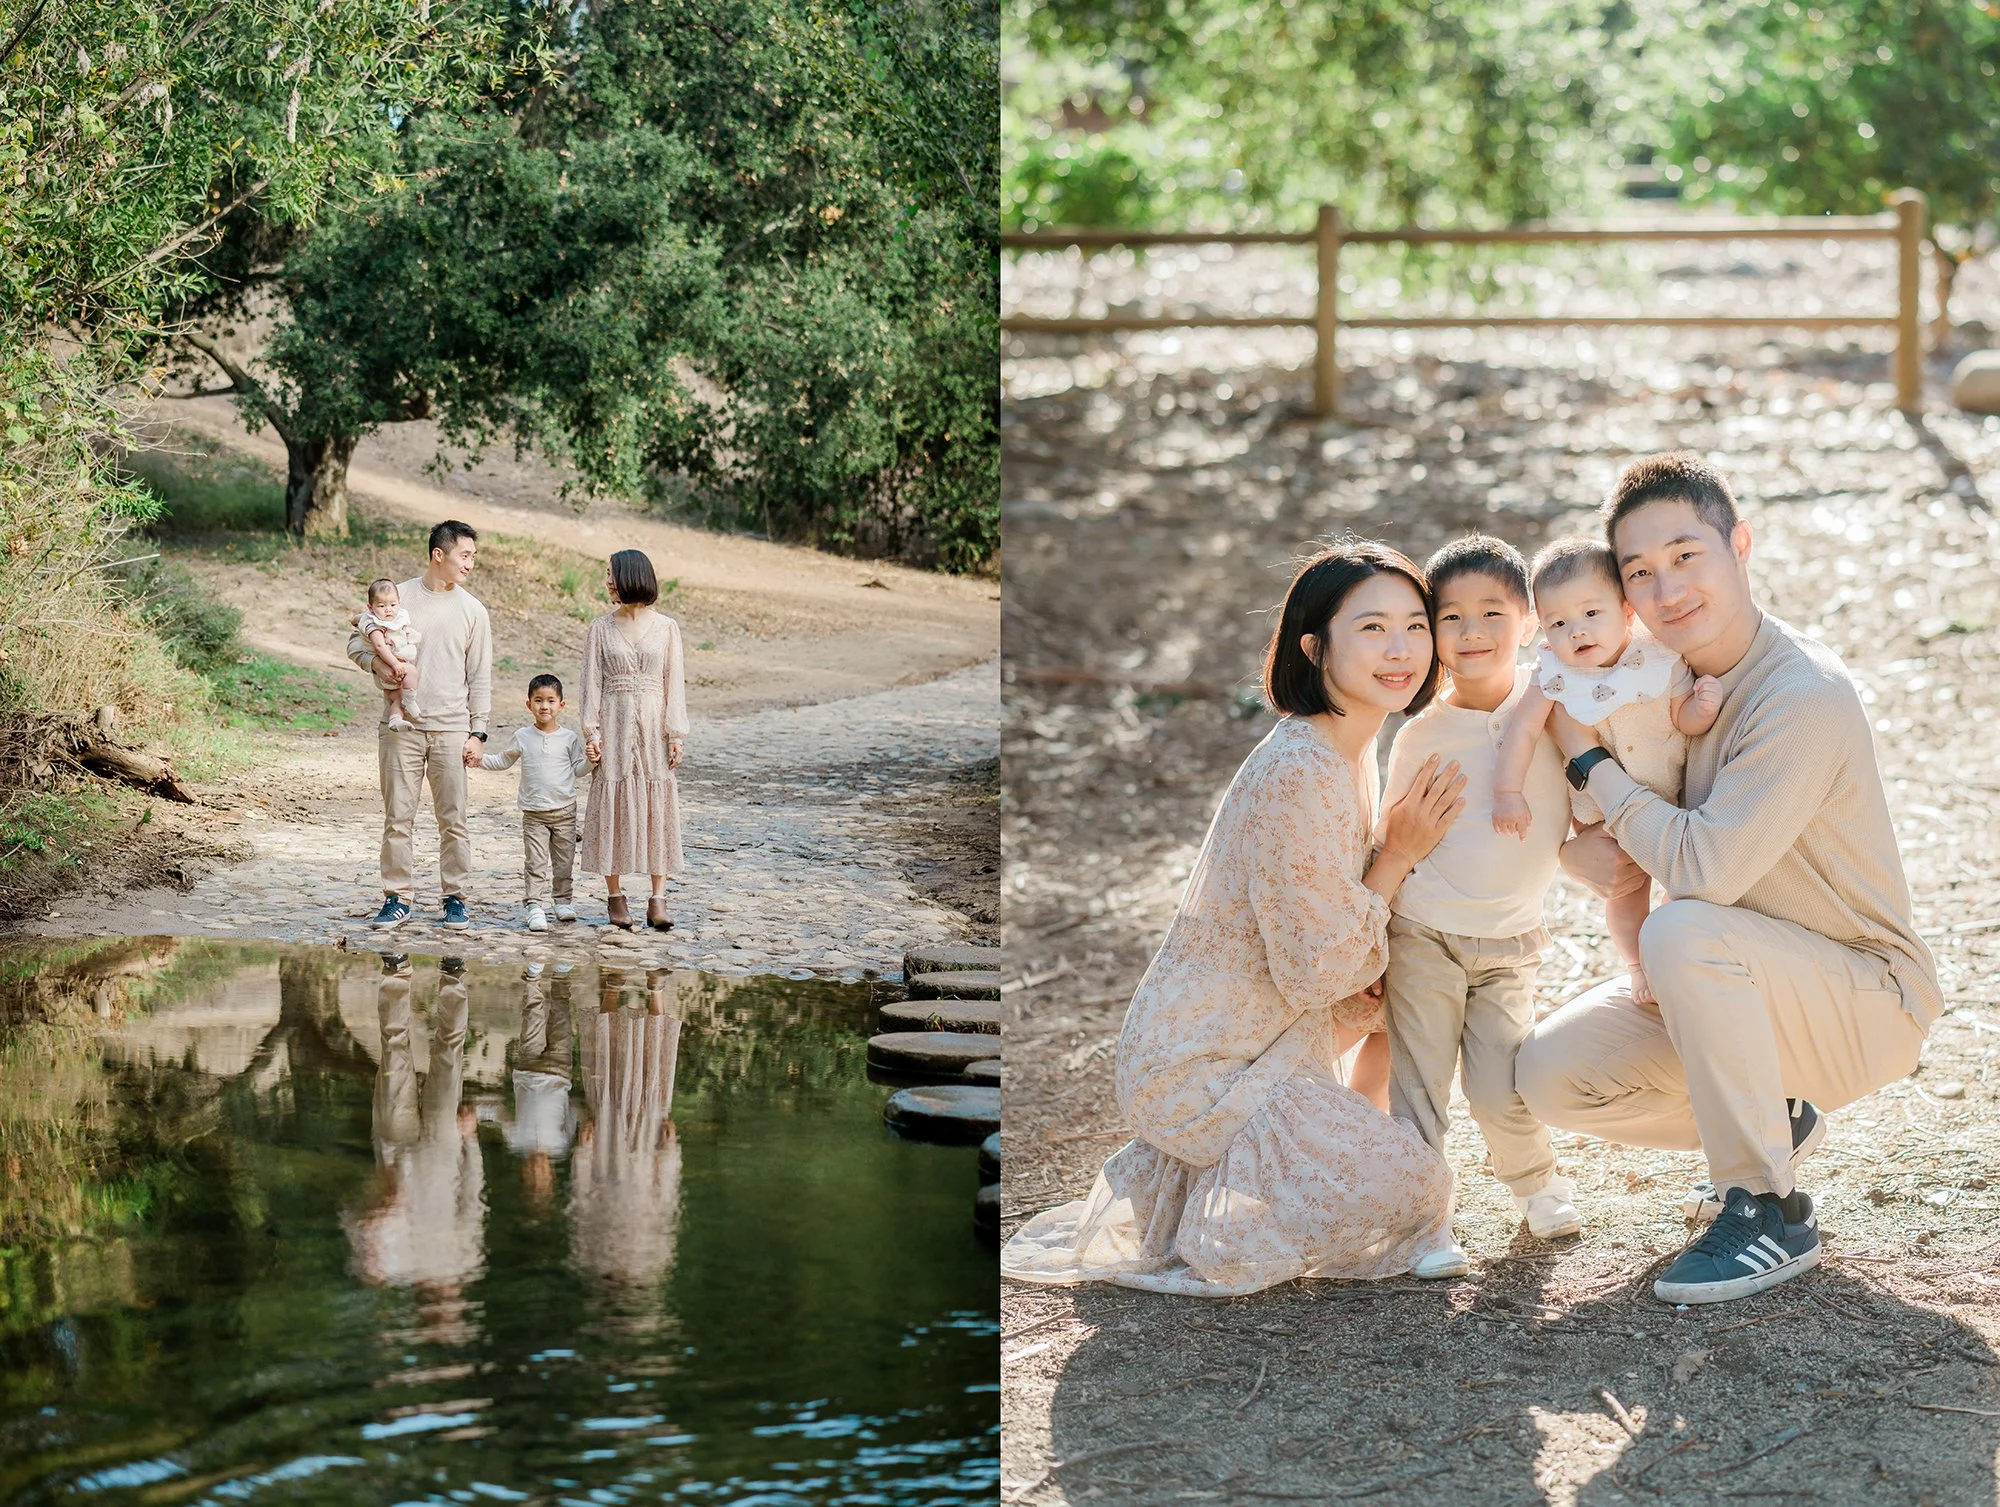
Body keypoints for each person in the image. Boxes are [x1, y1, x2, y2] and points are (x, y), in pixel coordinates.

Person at [1515, 451, 1944, 1306]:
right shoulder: (1652, 684)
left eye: (1686, 555)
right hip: (1741, 982)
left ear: (1739, 544)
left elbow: (1702, 866)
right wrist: (1572, 850)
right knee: (1550, 1073)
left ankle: (1767, 1206)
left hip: (1866, 996)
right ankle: (1773, 1118)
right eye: (1640, 572)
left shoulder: (1800, 693)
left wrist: (1591, 762)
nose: (1667, 588)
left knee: (1681, 928)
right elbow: (1614, 834)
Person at [1001, 541, 1468, 1296]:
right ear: (1314, 648)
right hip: (1200, 1060)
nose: (1401, 649)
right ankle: (1262, 1188)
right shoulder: (1300, 768)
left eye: (1416, 626)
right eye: (1373, 628)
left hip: (1262, 1037)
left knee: (1407, 1001)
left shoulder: (1351, 751)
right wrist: (1399, 854)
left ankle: (1326, 1143)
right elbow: (1314, 971)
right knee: (1423, 1189)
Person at [1375, 536, 1581, 1279]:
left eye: (1492, 612)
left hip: (1510, 942)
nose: (1471, 632)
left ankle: (1536, 1184)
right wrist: (1374, 944)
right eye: (1451, 617)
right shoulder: (1422, 733)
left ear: (1528, 621)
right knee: (1420, 1085)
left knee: (1501, 1086)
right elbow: (1393, 839)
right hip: (1424, 933)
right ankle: (1423, 1222)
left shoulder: (1559, 707)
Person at [1491, 537, 1723, 1004]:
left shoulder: (1657, 656)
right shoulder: (1554, 675)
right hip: (1603, 816)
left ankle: (1679, 955)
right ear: (1543, 629)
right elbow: (1523, 730)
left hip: (1673, 799)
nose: (1577, 632)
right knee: (1626, 894)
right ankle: (1637, 966)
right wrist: (1507, 792)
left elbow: (1681, 716)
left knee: (1685, 889)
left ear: (1626, 611)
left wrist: (1701, 708)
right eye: (1559, 623)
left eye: (1591, 614)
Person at [346, 520, 493, 932]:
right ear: (438, 555)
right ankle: (397, 898)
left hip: (452, 729)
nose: (470, 564)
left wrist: (478, 732)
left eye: (474, 557)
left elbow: (480, 675)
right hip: (401, 727)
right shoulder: (397, 596)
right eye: (465, 555)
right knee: (398, 816)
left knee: (454, 820)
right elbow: (356, 642)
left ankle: (454, 898)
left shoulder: (473, 610)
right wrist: (375, 664)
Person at [578, 549, 688, 932]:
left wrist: (676, 734)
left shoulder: (667, 627)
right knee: (612, 801)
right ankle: (615, 896)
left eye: (612, 574)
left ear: (632, 576)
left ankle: (658, 899)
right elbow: (590, 684)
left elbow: (674, 683)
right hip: (614, 723)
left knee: (658, 807)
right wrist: (591, 732)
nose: (607, 581)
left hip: (655, 728)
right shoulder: (600, 628)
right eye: (607, 574)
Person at [479, 674, 590, 932]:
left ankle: (563, 901)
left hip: (565, 811)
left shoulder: (569, 738)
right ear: (528, 704)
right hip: (534, 814)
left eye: (551, 701)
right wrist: (478, 760)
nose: (544, 706)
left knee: (564, 862)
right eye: (538, 700)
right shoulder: (523, 736)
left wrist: (592, 761)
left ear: (562, 705)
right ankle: (534, 905)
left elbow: (578, 769)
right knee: (535, 862)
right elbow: (503, 760)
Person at [353, 577, 420, 731]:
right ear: (370, 607)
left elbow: (357, 619)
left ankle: (395, 719)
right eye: (382, 606)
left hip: (394, 670)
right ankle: (410, 700)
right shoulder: (375, 626)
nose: (388, 610)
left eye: (393, 605)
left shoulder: (393, 617)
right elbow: (379, 646)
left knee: (396, 697)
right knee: (412, 672)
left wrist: (355, 620)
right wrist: (394, 664)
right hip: (391, 666)